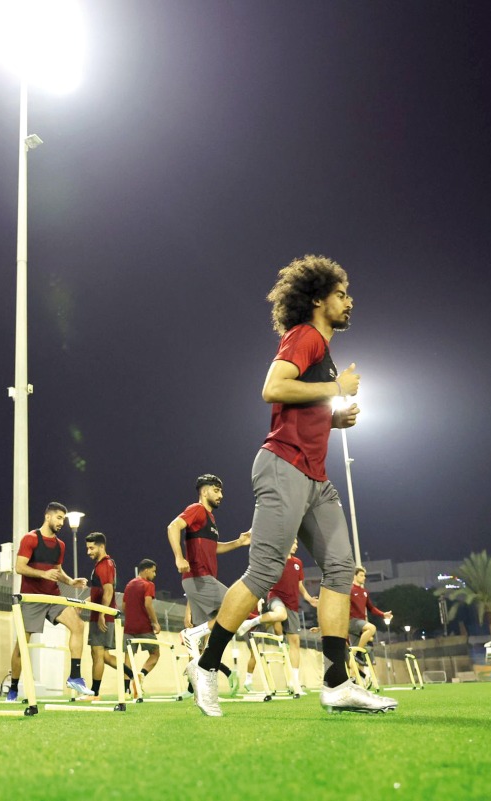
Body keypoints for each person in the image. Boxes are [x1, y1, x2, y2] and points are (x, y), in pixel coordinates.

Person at [188, 255, 397, 716]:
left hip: (316, 478)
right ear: (318, 299)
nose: (350, 302)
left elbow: (303, 405)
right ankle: (205, 666)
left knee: (341, 568)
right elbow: (273, 388)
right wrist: (335, 388)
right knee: (263, 572)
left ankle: (337, 683)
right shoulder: (304, 337)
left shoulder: (323, 350)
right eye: (342, 295)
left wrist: (333, 417)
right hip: (283, 466)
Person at [7, 502, 93, 701]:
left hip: (53, 597)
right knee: (21, 646)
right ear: (48, 517)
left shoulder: (60, 545)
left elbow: (57, 570)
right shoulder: (30, 538)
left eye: (63, 518)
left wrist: (70, 581)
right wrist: (42, 574)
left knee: (78, 625)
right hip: (31, 598)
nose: (62, 522)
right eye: (59, 518)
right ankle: (12, 689)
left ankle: (75, 676)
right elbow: (19, 567)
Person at [167, 474, 251, 664]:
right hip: (199, 577)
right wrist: (179, 557)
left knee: (208, 640)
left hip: (200, 580)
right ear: (204, 492)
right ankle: (192, 634)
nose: (221, 495)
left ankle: (201, 688)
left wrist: (239, 542)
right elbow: (173, 527)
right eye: (216, 490)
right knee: (237, 605)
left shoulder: (210, 518)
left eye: (221, 490)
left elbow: (214, 548)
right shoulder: (196, 509)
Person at [239, 539, 318, 694]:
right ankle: (252, 623)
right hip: (276, 598)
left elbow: (299, 584)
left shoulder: (298, 563)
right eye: (293, 542)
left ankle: (293, 683)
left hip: (293, 605)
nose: (296, 545)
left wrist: (308, 598)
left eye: (296, 542)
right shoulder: (276, 560)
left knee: (295, 642)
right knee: (279, 616)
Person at [83, 533, 132, 696]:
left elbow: (109, 590)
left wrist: (102, 613)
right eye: (87, 548)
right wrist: (85, 602)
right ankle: (134, 676)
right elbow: (100, 590)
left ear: (101, 547)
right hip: (99, 614)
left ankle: (94, 693)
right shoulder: (101, 565)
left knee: (98, 654)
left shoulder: (105, 564)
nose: (88, 552)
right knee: (102, 655)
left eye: (91, 548)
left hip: (102, 616)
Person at [122, 559, 162, 698]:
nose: (154, 574)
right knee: (155, 653)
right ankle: (141, 675)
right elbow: (148, 604)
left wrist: (130, 618)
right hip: (144, 627)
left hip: (128, 627)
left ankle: (125, 691)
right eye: (153, 570)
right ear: (146, 570)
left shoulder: (129, 584)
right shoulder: (148, 584)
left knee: (128, 657)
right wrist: (155, 622)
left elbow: (124, 605)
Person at [349, 566, 391, 675]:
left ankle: (354, 681)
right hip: (352, 621)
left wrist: (383, 614)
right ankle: (358, 653)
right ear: (354, 576)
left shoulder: (364, 592)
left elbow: (371, 608)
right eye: (361, 575)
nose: (364, 578)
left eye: (364, 576)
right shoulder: (349, 590)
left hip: (360, 624)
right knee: (372, 628)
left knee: (357, 660)